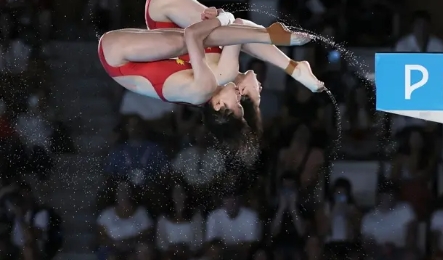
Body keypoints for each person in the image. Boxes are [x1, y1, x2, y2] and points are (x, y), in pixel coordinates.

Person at [98, 11, 311, 158]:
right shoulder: (210, 88)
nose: (239, 95)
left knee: (191, 40)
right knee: (200, 38)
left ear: (218, 105)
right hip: (121, 60)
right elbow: (233, 32)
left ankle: (278, 47)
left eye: (238, 104)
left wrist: (223, 18)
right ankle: (277, 46)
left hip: (116, 57)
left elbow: (201, 34)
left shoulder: (208, 86)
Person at [144, 0, 325, 94]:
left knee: (224, 33)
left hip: (163, 13)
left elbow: (236, 26)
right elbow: (237, 30)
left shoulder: (224, 75)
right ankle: (293, 67)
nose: (261, 88)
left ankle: (289, 60)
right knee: (225, 35)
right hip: (167, 18)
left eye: (257, 95)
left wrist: (222, 18)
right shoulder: (221, 76)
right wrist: (221, 18)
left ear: (242, 92)